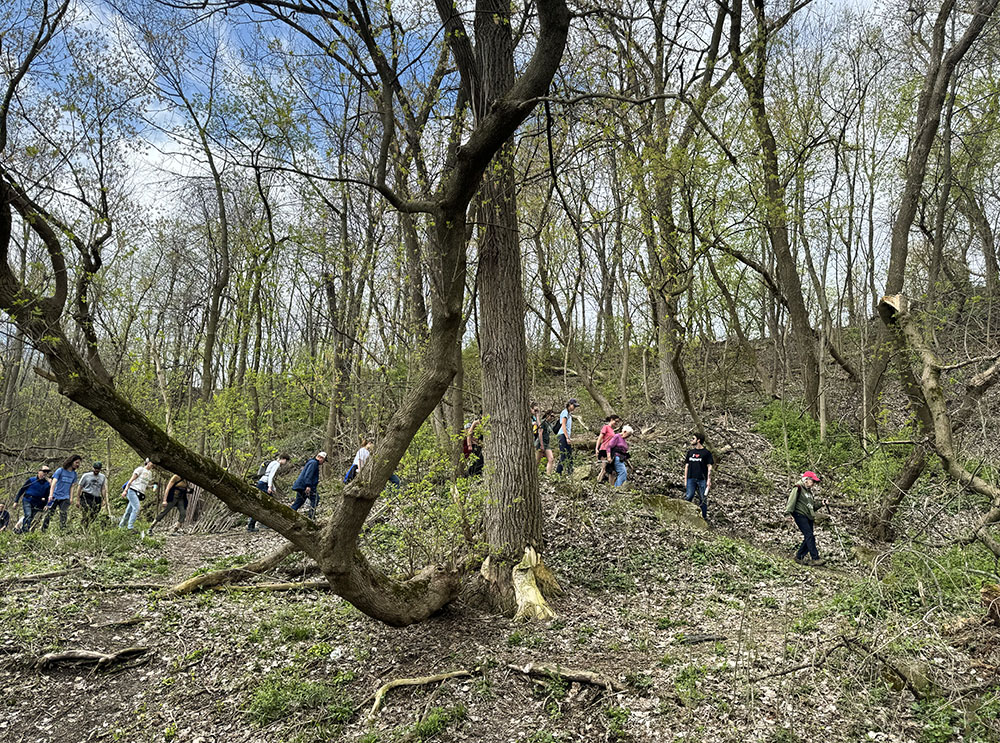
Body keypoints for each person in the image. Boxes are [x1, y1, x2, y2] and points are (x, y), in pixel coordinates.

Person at [785, 471, 826, 566]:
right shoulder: (798, 488)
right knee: (809, 536)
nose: (814, 484)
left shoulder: (809, 492)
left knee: (809, 537)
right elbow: (791, 501)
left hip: (808, 516)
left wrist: (821, 504)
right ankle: (815, 558)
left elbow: (811, 507)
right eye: (813, 481)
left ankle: (799, 557)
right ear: (806, 480)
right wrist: (788, 513)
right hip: (799, 514)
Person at [248, 453, 290, 531]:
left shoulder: (273, 462)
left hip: (262, 482)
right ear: (283, 459)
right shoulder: (277, 464)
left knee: (261, 504)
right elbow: (271, 476)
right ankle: (259, 524)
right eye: (286, 461)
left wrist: (273, 488)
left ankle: (252, 525)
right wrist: (270, 487)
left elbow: (269, 476)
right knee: (267, 504)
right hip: (264, 484)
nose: (285, 463)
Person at [43, 454, 82, 531]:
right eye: (76, 462)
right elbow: (53, 483)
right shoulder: (60, 470)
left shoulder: (74, 474)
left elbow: (72, 486)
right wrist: (50, 495)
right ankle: (44, 530)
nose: (78, 465)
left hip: (65, 497)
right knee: (49, 514)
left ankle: (62, 531)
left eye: (79, 463)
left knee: (63, 514)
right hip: (54, 496)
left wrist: (71, 498)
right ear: (71, 461)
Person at [683, 433, 714, 520]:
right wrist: (685, 479)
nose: (691, 440)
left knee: (703, 499)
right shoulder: (690, 453)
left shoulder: (706, 453)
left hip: (702, 479)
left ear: (698, 440)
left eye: (693, 438)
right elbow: (687, 466)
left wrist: (709, 480)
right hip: (691, 478)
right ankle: (684, 514)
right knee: (689, 496)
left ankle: (703, 517)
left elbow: (709, 466)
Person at [14, 466, 51, 533]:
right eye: (44, 471)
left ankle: (21, 530)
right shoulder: (31, 480)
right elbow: (22, 490)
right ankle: (25, 532)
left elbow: (49, 496)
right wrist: (16, 501)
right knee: (28, 514)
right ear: (39, 471)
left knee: (31, 517)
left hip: (38, 503)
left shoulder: (47, 484)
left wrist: (47, 504)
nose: (45, 473)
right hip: (27, 500)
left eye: (47, 472)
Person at [120, 459, 155, 531]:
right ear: (148, 462)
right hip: (132, 490)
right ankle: (130, 527)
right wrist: (125, 490)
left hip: (140, 493)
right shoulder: (140, 469)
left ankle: (121, 527)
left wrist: (151, 487)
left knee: (129, 510)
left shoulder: (150, 473)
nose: (153, 465)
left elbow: (144, 484)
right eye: (152, 463)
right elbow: (131, 480)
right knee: (137, 508)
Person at [291, 451, 326, 520]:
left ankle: (288, 515)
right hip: (305, 486)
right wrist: (308, 485)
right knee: (315, 499)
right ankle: (311, 517)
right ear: (320, 458)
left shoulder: (311, 462)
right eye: (323, 460)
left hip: (301, 486)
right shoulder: (314, 463)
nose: (323, 463)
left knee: (298, 502)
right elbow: (309, 475)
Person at [77, 461, 108, 528]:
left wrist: (104, 499)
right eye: (95, 468)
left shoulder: (102, 477)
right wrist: (78, 500)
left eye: (98, 469)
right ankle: (83, 527)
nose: (96, 470)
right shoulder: (86, 476)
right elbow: (80, 487)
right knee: (87, 512)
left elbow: (103, 488)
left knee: (95, 514)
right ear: (93, 468)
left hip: (96, 497)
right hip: (87, 496)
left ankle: (88, 527)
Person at [555, 399, 579, 476]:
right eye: (573, 406)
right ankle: (558, 473)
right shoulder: (565, 412)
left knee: (569, 455)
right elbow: (563, 425)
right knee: (563, 455)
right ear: (569, 404)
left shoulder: (569, 414)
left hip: (565, 436)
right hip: (562, 435)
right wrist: (567, 437)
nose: (574, 408)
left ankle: (570, 473)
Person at [595, 414, 621, 483]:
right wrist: (596, 448)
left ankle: (611, 486)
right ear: (611, 420)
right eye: (616, 421)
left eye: (618, 422)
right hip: (603, 450)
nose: (616, 423)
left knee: (611, 470)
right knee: (604, 468)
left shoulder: (612, 430)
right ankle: (597, 483)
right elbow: (600, 438)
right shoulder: (606, 427)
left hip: (610, 451)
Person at [536, 409, 557, 475]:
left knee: (551, 459)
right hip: (540, 443)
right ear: (547, 415)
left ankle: (548, 475)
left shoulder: (549, 424)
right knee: (537, 461)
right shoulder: (543, 422)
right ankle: (534, 474)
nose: (552, 418)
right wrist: (541, 445)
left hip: (547, 444)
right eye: (551, 416)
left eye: (553, 416)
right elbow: (540, 433)